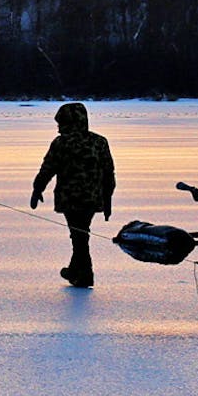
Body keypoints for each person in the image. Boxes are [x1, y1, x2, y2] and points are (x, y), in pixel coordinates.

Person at [30, 102, 115, 287]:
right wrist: (107, 199)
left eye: (61, 123)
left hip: (71, 198)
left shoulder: (62, 143)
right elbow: (109, 173)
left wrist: (37, 189)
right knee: (80, 233)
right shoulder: (99, 142)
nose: (59, 128)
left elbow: (48, 168)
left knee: (79, 235)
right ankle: (75, 270)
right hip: (93, 198)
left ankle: (84, 273)